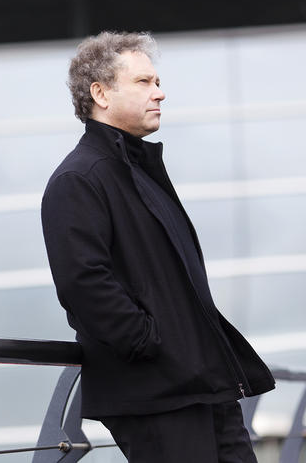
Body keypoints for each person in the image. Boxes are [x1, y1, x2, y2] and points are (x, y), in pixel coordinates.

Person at [40, 31, 275, 462]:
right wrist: (150, 343)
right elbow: (83, 283)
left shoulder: (137, 171)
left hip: (202, 384)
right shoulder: (79, 179)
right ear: (100, 93)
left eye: (157, 82)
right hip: (157, 391)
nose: (160, 93)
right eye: (144, 83)